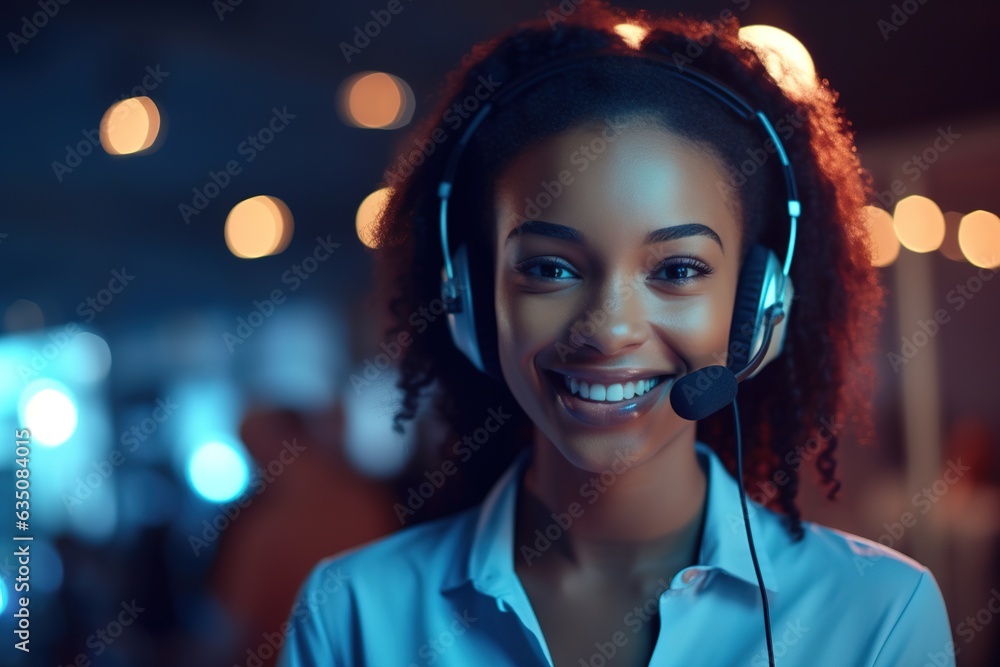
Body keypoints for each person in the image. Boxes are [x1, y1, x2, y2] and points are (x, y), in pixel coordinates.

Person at [279, 2, 955, 665]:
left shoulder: (878, 615)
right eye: (549, 267)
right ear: (468, 299)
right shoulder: (352, 613)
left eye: (677, 269)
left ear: (760, 307)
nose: (608, 328)